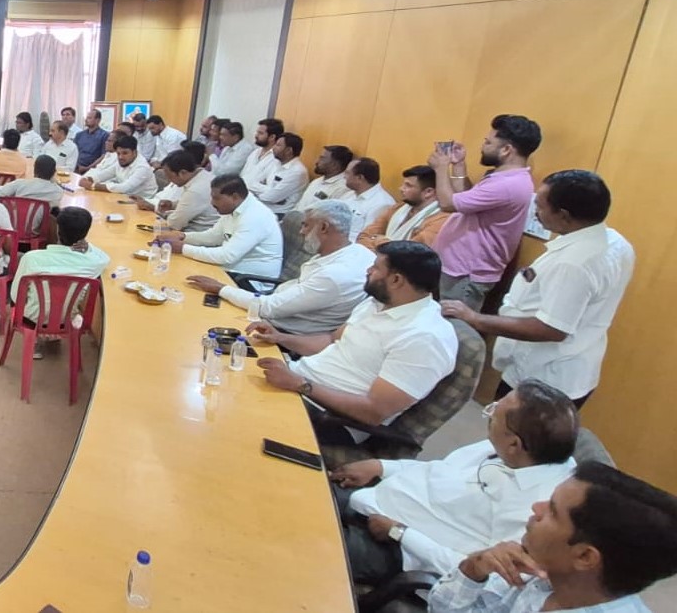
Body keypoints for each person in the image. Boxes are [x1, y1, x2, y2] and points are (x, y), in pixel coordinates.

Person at [331, 380, 579, 583]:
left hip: (397, 551)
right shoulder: (515, 451)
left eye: (494, 414)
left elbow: (476, 570)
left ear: (514, 444)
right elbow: (442, 470)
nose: (489, 415)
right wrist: (382, 466)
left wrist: (400, 533)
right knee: (307, 495)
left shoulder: (537, 510)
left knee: (312, 548)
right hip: (374, 499)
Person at [441, 171, 633, 408]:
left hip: (544, 376)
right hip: (571, 366)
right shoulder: (615, 241)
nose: (534, 213)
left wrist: (474, 318)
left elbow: (551, 329)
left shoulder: (573, 264)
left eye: (540, 207)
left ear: (564, 215)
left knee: (506, 428)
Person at [253, 241, 458, 441]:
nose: (368, 271)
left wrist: (302, 385)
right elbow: (332, 341)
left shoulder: (425, 338)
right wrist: (280, 337)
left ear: (396, 280)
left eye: (375, 268)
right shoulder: (376, 303)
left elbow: (374, 411)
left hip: (329, 417)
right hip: (299, 381)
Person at [428, 461, 677, 613]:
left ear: (584, 556)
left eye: (552, 511)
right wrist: (475, 568)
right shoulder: (543, 576)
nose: (536, 508)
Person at [188, 200, 374, 333]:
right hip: (276, 308)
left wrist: (220, 288)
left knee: (198, 322)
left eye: (306, 226)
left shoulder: (334, 275)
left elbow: (269, 308)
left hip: (281, 330)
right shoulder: (361, 253)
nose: (301, 232)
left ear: (324, 227)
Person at [429, 114, 543, 309]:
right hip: (456, 268)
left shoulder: (508, 184)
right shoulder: (504, 178)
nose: (483, 146)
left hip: (466, 275)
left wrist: (441, 169)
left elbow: (447, 203)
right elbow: (466, 199)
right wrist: (458, 166)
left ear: (506, 150)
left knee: (454, 323)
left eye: (488, 142)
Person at [1, 207, 111, 341]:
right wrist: (86, 245)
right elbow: (105, 258)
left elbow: (16, 296)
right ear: (85, 234)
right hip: (66, 320)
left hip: (31, 319)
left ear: (57, 230)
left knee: (18, 305)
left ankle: (36, 337)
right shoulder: (92, 263)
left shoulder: (31, 258)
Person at [153, 174, 283, 277]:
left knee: (180, 274)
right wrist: (183, 236)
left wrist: (183, 248)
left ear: (234, 197)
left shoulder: (255, 217)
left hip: (248, 281)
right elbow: (213, 237)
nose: (212, 203)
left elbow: (227, 256)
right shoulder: (235, 208)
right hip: (229, 270)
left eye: (216, 198)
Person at [357, 164, 451, 251]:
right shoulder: (399, 207)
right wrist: (384, 246)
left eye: (408, 186)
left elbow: (410, 252)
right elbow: (364, 236)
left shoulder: (441, 219)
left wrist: (378, 241)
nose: (401, 189)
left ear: (428, 192)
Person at [136, 148, 219, 232]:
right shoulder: (204, 176)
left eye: (169, 176)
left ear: (183, 173)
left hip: (195, 233)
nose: (168, 180)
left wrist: (156, 209)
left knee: (143, 230)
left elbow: (174, 224)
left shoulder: (195, 190)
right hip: (194, 228)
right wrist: (172, 205)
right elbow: (192, 205)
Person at [248, 133, 310, 215]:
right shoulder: (275, 162)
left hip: (278, 213)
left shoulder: (298, 172)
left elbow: (270, 197)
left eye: (278, 145)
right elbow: (251, 182)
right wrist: (270, 189)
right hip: (261, 207)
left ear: (289, 150)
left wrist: (259, 190)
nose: (273, 148)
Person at [79, 135, 158, 197]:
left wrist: (93, 185)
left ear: (134, 152)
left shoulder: (142, 167)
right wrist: (87, 179)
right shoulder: (121, 162)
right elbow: (103, 175)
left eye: (125, 153)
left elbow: (124, 188)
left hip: (144, 203)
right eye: (118, 153)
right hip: (125, 198)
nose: (120, 157)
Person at [345, 157, 397, 241]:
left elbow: (367, 238)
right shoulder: (349, 194)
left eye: (347, 173)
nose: (344, 177)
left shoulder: (382, 203)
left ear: (359, 177)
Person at [295, 145, 357, 212]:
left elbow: (331, 214)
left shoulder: (343, 187)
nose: (317, 162)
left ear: (335, 165)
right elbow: (299, 206)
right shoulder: (317, 181)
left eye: (322, 158)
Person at [0, 155, 67, 208]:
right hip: (40, 225)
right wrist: (53, 179)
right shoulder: (58, 192)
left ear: (34, 170)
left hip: (15, 222)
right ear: (54, 172)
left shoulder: (20, 184)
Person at [240, 118, 284, 188]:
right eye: (257, 132)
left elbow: (270, 188)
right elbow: (243, 175)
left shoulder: (276, 159)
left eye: (260, 133)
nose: (256, 136)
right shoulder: (255, 152)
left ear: (272, 137)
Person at [73, 108, 110, 173]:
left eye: (89, 118)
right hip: (75, 167)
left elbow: (104, 156)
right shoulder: (79, 135)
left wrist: (88, 168)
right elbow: (73, 151)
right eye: (86, 118)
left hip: (93, 170)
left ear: (97, 120)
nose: (86, 120)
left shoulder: (104, 135)